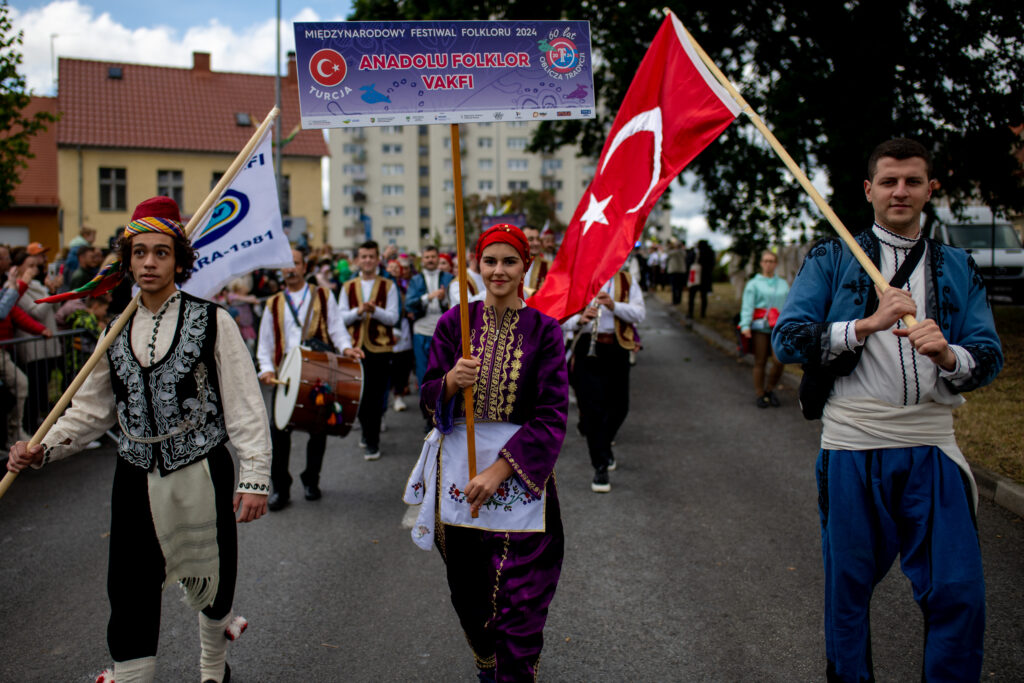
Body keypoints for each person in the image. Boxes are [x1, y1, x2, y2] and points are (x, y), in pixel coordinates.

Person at [7, 196, 272, 683]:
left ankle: (214, 666)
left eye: (161, 252)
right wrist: (45, 445)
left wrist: (254, 477)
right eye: (139, 252)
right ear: (127, 260)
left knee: (213, 571)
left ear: (179, 260)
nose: (149, 262)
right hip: (133, 471)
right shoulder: (114, 330)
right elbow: (90, 410)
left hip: (201, 466)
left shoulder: (214, 320)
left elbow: (244, 404)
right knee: (129, 584)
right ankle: (132, 676)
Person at [772, 138, 1003, 682]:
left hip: (931, 446)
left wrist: (949, 354)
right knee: (847, 594)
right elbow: (787, 339)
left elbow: (989, 355)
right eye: (891, 181)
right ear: (869, 189)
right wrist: (866, 325)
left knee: (958, 593)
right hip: (854, 445)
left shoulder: (958, 265)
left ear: (930, 190)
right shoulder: (831, 258)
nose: (901, 191)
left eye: (913, 181)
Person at [404, 224, 568, 682]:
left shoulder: (545, 331)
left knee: (524, 597)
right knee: (469, 593)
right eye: (490, 260)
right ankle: (486, 663)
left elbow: (553, 414)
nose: (499, 270)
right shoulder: (452, 323)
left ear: (524, 268)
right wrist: (450, 383)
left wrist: (501, 470)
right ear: (476, 264)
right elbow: (428, 394)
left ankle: (514, 673)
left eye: (509, 261)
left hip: (522, 482)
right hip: (457, 477)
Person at [256, 248, 362, 511]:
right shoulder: (273, 303)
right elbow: (265, 340)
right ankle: (281, 487)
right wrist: (266, 369)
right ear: (281, 270)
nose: (290, 269)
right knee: (278, 431)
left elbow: (337, 328)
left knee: (318, 428)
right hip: (285, 374)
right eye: (286, 265)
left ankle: (311, 480)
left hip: (317, 372)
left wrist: (347, 348)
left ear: (305, 267)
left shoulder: (323, 295)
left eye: (295, 263)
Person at [565, 264, 645, 492]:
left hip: (617, 347)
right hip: (587, 348)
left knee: (620, 407)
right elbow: (560, 319)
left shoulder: (626, 280)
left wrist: (614, 305)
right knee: (592, 411)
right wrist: (579, 320)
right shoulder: (578, 280)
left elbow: (640, 313)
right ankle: (599, 465)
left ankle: (603, 444)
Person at [338, 241, 399, 461]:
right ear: (357, 260)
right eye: (363, 256)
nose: (367, 261)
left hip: (380, 348)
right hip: (355, 348)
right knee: (359, 396)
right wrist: (359, 311)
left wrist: (375, 311)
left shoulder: (388, 286)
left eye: (371, 256)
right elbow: (340, 318)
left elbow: (393, 317)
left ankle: (372, 442)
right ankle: (366, 432)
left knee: (375, 396)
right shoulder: (347, 287)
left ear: (377, 259)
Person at [406, 245, 453, 428]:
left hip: (444, 333)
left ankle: (444, 412)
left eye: (433, 256)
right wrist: (428, 297)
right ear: (422, 260)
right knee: (423, 374)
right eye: (427, 257)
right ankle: (428, 416)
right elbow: (409, 304)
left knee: (445, 374)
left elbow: (457, 302)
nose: (431, 260)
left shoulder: (448, 278)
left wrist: (442, 299)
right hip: (421, 331)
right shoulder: (416, 280)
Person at [739, 250, 789, 408]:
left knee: (779, 360)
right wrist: (745, 325)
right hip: (760, 326)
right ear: (761, 263)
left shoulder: (783, 284)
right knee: (760, 361)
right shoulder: (753, 283)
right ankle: (760, 393)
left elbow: (789, 304)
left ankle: (770, 389)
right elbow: (747, 305)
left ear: (776, 264)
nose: (768, 264)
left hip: (778, 327)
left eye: (771, 261)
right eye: (765, 261)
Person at [687, 240, 715, 318]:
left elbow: (689, 262)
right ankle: (701, 313)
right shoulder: (707, 253)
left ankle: (693, 312)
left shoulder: (700, 253)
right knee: (701, 296)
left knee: (695, 295)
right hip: (702, 277)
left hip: (701, 277)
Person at [521, 224, 550, 297]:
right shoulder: (508, 265)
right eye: (531, 239)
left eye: (538, 239)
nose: (536, 243)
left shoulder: (549, 266)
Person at [665, 240, 688, 306]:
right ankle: (678, 300)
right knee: (678, 287)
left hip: (674, 271)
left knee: (675, 287)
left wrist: (669, 247)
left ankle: (675, 300)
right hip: (680, 271)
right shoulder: (683, 252)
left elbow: (667, 253)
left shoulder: (675, 252)